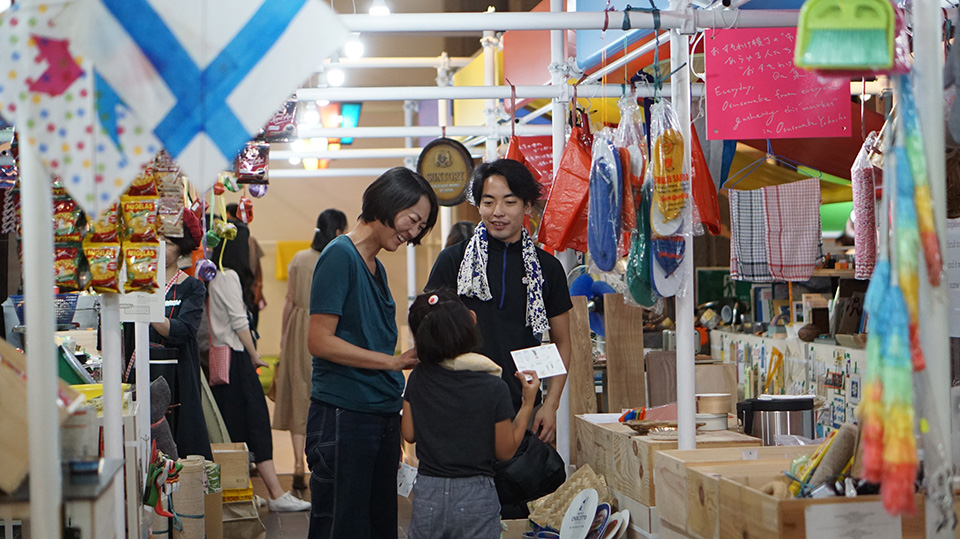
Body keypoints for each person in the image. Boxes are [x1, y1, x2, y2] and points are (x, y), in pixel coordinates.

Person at [306, 167, 438, 539]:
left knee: (377, 524)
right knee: (341, 525)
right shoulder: (339, 257)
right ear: (388, 202)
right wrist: (393, 362)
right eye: (412, 220)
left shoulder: (374, 265)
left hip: (377, 414)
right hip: (344, 414)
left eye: (420, 227)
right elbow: (320, 341)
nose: (413, 233)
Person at [426, 159, 573, 443]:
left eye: (509, 202)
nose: (497, 212)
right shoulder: (453, 260)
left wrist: (551, 404)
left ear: (527, 206)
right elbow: (428, 331)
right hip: (459, 403)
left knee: (521, 485)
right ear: (478, 206)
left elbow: (562, 341)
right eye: (488, 202)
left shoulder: (547, 268)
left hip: (522, 406)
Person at [402, 289, 539, 539]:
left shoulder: (418, 378)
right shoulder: (492, 387)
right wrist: (527, 402)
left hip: (428, 489)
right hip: (475, 493)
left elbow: (409, 433)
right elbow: (505, 450)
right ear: (466, 329)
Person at [206, 252, 310, 512]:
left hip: (222, 359)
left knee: (234, 428)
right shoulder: (227, 276)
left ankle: (243, 493)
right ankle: (274, 494)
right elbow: (239, 321)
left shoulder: (209, 275)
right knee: (256, 424)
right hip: (236, 358)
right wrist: (254, 355)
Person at [124, 211, 212, 459]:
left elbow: (184, 331)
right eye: (157, 240)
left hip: (177, 377)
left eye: (169, 243)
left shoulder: (192, 286)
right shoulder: (136, 283)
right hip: (137, 373)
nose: (161, 248)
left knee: (177, 441)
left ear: (182, 248)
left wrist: (146, 308)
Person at [272, 208, 347, 491]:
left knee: (297, 394)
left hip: (297, 329)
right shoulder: (338, 258)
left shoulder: (299, 259)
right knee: (324, 392)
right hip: (329, 328)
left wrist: (283, 337)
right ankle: (324, 461)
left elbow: (289, 300)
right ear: (338, 231)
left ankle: (296, 466)